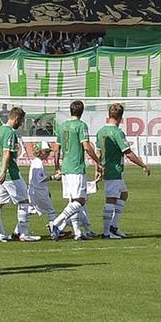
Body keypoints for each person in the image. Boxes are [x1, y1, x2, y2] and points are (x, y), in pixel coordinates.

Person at [96, 103, 151, 239]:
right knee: (111, 200)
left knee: (123, 195)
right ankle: (106, 232)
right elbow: (128, 153)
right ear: (120, 118)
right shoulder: (117, 132)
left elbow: (97, 153)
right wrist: (143, 165)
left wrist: (97, 168)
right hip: (113, 170)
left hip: (111, 170)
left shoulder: (100, 131)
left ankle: (114, 227)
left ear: (109, 115)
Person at [50, 100, 101, 242]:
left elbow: (57, 149)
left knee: (73, 201)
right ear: (81, 111)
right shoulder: (81, 126)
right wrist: (98, 161)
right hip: (76, 168)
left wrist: (57, 167)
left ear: (70, 110)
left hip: (66, 167)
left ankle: (78, 232)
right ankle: (56, 223)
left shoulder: (62, 126)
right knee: (80, 201)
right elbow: (86, 146)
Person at [27, 146, 56, 226]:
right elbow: (41, 179)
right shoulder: (38, 163)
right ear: (41, 152)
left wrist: (48, 191)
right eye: (47, 152)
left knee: (29, 211)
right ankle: (55, 231)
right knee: (51, 210)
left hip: (33, 190)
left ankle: (18, 231)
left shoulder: (36, 161)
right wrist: (54, 177)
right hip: (38, 191)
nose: (48, 154)